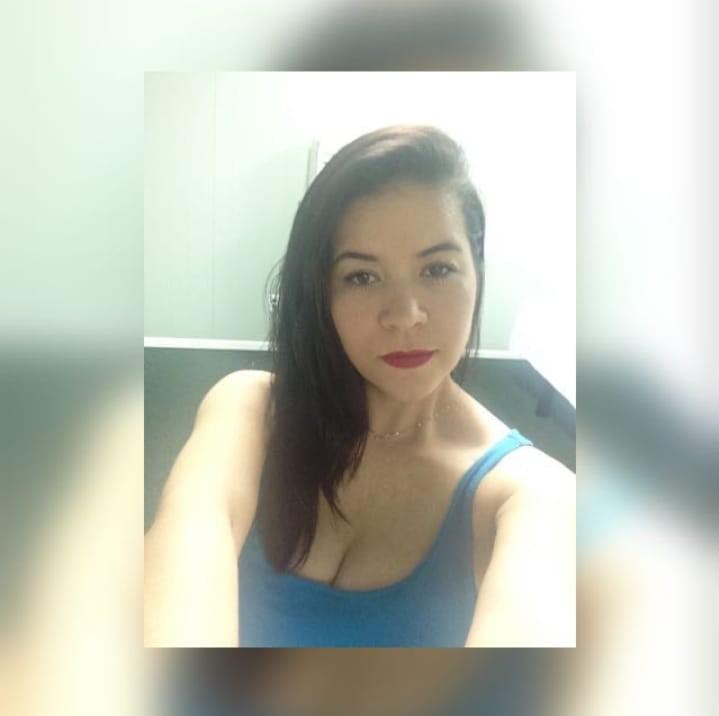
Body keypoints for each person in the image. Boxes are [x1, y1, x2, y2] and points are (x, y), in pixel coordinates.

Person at [144, 125, 575, 648]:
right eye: (362, 277)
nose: (405, 315)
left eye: (437, 269)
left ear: (476, 275)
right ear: (320, 293)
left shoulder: (531, 494)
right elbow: (188, 536)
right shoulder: (252, 409)